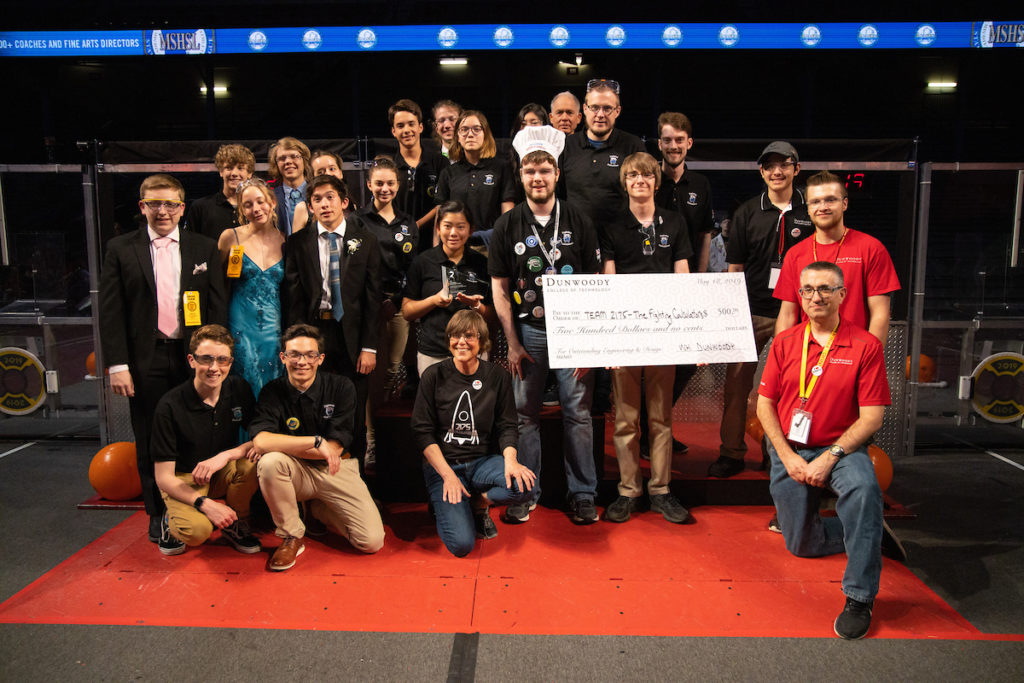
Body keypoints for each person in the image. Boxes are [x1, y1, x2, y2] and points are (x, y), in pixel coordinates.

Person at [757, 261, 899, 640]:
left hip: (842, 449)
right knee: (801, 545)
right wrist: (786, 456)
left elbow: (871, 419)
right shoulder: (785, 342)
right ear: (799, 296)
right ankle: (869, 531)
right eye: (807, 290)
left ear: (842, 295)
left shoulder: (865, 346)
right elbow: (763, 406)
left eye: (824, 289)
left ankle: (859, 596)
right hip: (790, 448)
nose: (815, 296)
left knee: (864, 490)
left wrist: (829, 457)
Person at [99, 173, 227, 544]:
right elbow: (111, 312)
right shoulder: (121, 248)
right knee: (151, 435)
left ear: (182, 208)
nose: (163, 210)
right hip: (145, 358)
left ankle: (205, 506)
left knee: (201, 431)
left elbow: (216, 306)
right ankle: (158, 514)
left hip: (195, 358)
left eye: (171, 203)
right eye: (154, 203)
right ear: (142, 207)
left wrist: (215, 359)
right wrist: (118, 365)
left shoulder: (203, 248)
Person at [489, 127, 602, 525]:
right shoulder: (508, 225)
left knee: (579, 414)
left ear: (557, 174)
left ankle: (583, 494)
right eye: (529, 170)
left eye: (545, 170)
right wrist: (513, 344)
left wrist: (589, 343)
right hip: (529, 333)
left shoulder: (579, 219)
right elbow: (499, 289)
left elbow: (594, 283)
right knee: (524, 416)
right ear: (520, 176)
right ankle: (525, 491)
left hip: (573, 334)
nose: (537, 177)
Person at [600, 152, 693, 525]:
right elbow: (607, 280)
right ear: (625, 182)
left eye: (646, 175)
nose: (640, 180)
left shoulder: (674, 222)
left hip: (664, 332)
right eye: (633, 175)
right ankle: (628, 491)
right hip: (626, 331)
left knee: (660, 417)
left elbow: (683, 276)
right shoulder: (612, 225)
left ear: (656, 181)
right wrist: (609, 337)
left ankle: (660, 490)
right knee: (625, 419)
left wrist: (690, 335)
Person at [712, 141, 813, 479]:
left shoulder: (810, 209)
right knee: (737, 386)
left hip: (797, 314)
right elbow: (734, 267)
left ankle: (777, 454)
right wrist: (732, 315)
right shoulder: (747, 213)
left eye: (784, 165)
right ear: (761, 171)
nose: (776, 171)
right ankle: (731, 452)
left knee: (786, 390)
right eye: (769, 166)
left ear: (796, 169)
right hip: (751, 310)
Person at [251, 324, 385, 571]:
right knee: (269, 462)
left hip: (335, 468)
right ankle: (291, 536)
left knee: (371, 542)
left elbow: (334, 449)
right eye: (294, 354)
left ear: (320, 359)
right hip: (296, 471)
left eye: (310, 355)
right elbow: (261, 441)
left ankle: (317, 509)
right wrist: (316, 442)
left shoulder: (342, 387)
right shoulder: (272, 391)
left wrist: (287, 444)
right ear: (283, 357)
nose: (302, 362)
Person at [411, 310, 536, 556]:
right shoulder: (433, 376)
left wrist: (511, 462)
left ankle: (478, 503)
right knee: (461, 545)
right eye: (455, 336)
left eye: (469, 336)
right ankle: (446, 504)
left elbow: (507, 425)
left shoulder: (497, 376)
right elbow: (422, 431)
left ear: (482, 341)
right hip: (444, 467)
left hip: (482, 462)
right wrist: (448, 476)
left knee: (526, 486)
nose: (461, 342)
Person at [282, 174, 381, 462]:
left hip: (352, 334)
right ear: (310, 206)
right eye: (317, 199)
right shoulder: (298, 243)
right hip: (315, 330)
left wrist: (369, 347)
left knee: (353, 406)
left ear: (344, 202)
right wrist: (297, 343)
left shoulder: (366, 241)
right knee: (313, 403)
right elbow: (294, 297)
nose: (324, 204)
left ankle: (358, 476)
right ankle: (316, 473)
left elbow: (372, 299)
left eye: (330, 197)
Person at [151, 325, 260, 556]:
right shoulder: (169, 406)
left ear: (230, 362)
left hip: (218, 471)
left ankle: (234, 522)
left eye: (222, 360)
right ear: (191, 360)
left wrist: (225, 456)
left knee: (255, 463)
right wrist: (204, 504)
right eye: (206, 359)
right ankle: (171, 519)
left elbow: (263, 439)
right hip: (182, 479)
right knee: (197, 533)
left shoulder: (238, 388)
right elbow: (163, 477)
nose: (214, 368)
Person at [774, 170, 900, 344]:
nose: (823, 207)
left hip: (853, 354)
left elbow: (880, 314)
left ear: (845, 204)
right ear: (809, 209)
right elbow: (787, 315)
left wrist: (869, 359)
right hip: (807, 355)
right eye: (815, 202)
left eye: (831, 200)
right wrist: (783, 358)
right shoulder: (795, 255)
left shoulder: (871, 249)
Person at [357, 156, 419, 460]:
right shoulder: (358, 221)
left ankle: (385, 436)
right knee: (372, 375)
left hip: (396, 307)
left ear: (398, 185)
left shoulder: (407, 223)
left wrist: (394, 302)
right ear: (369, 184)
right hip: (366, 309)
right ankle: (370, 441)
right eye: (379, 183)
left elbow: (413, 269)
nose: (384, 188)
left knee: (394, 371)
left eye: (390, 183)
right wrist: (374, 302)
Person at [403, 200, 492, 374]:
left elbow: (493, 316)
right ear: (438, 228)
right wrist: (433, 301)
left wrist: (476, 306)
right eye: (447, 226)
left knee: (474, 401)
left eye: (460, 227)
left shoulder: (482, 264)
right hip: (433, 352)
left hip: (474, 351)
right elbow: (407, 312)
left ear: (471, 230)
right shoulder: (422, 262)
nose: (453, 233)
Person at [217, 177, 285, 395]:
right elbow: (217, 284)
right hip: (240, 327)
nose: (256, 209)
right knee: (246, 385)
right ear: (241, 209)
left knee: (274, 384)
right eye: (248, 204)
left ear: (272, 202)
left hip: (275, 328)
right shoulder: (231, 237)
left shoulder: (285, 240)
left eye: (260, 201)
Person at [560, 79, 645, 230]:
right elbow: (558, 195)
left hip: (620, 240)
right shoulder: (567, 145)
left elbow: (644, 195)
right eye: (594, 108)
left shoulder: (633, 145)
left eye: (607, 108)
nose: (600, 114)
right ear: (585, 109)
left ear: (617, 111)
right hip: (576, 238)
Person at [436, 110, 516, 249]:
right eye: (464, 129)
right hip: (457, 248)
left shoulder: (501, 168)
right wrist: (437, 250)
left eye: (476, 129)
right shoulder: (448, 173)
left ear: (486, 134)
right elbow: (440, 217)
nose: (470, 134)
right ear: (458, 137)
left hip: (491, 247)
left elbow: (507, 216)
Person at [390, 99, 445, 245]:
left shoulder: (439, 163)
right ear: (393, 131)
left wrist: (416, 226)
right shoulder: (389, 167)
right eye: (400, 126)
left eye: (411, 124)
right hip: (397, 242)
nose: (407, 130)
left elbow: (443, 204)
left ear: (420, 127)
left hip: (433, 243)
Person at [185, 144, 255, 240]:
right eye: (229, 168)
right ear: (221, 171)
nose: (234, 173)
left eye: (240, 168)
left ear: (249, 173)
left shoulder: (258, 209)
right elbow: (190, 244)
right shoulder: (200, 207)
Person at [290, 149, 354, 232]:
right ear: (312, 177)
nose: (328, 174)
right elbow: (295, 243)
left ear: (340, 173)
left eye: (332, 169)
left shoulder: (352, 205)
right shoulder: (302, 208)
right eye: (320, 172)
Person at [268, 136, 312, 236]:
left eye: (294, 156)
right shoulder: (270, 197)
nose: (288, 162)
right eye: (282, 158)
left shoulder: (316, 193)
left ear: (304, 160)